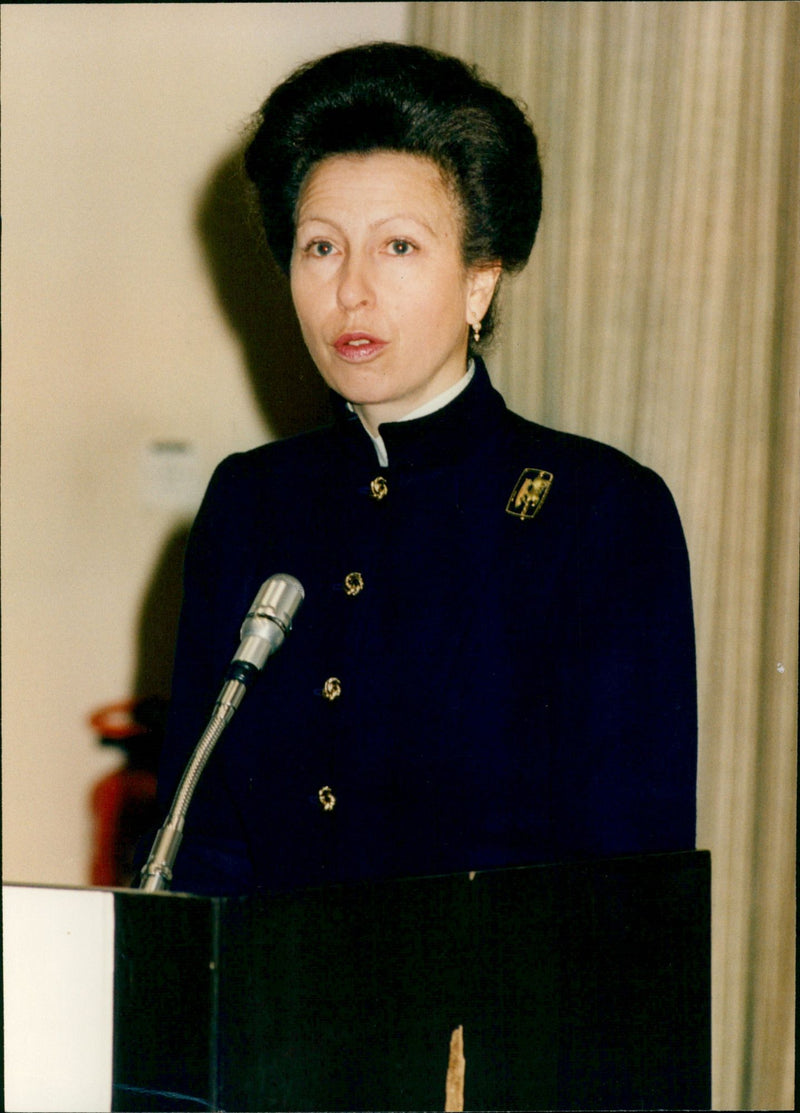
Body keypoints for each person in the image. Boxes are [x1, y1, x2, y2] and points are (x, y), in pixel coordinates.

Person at [154, 42, 697, 897]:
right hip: (271, 1019)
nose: (352, 292)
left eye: (399, 247)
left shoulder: (599, 514)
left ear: (481, 281)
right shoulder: (251, 502)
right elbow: (204, 840)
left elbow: (626, 893)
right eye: (321, 247)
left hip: (486, 1024)